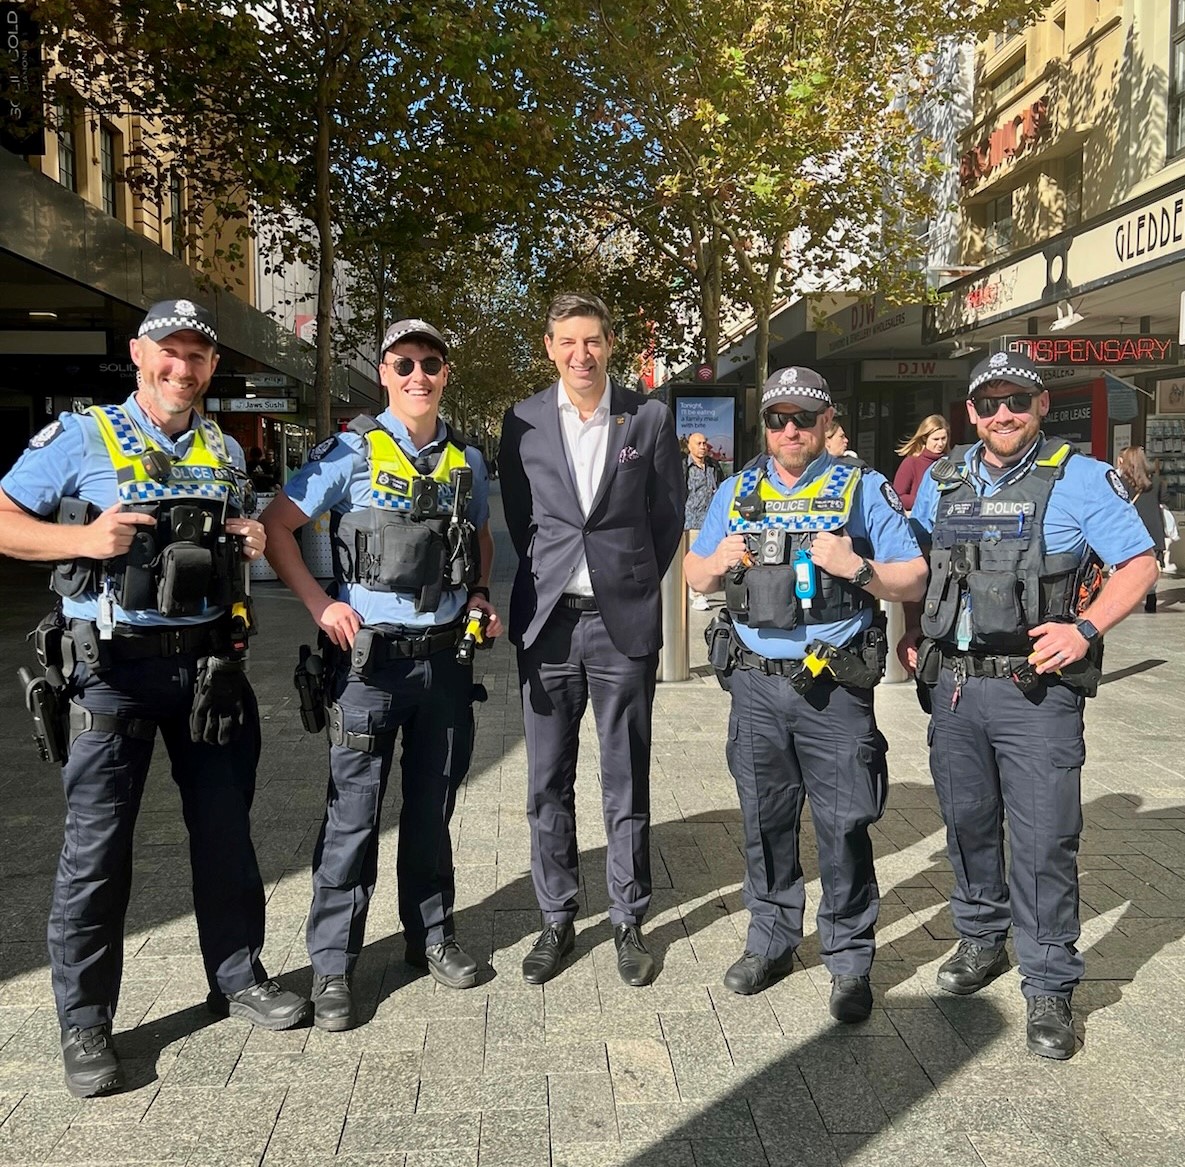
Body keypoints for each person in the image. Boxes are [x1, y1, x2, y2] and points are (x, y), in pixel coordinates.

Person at [0, 299, 309, 1099]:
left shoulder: (221, 448)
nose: (183, 369)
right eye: (169, 353)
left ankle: (237, 977)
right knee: (97, 851)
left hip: (207, 670)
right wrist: (79, 540)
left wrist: (243, 537)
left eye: (197, 358)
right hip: (110, 670)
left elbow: (230, 539)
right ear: (139, 353)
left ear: (210, 367)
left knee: (226, 835)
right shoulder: (82, 436)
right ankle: (86, 1021)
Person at [901, 350, 1158, 1061]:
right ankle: (981, 938)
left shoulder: (1077, 478)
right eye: (987, 404)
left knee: (1044, 838)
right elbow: (919, 568)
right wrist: (906, 634)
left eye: (1016, 401)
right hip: (953, 687)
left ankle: (1048, 983)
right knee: (966, 821)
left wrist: (1083, 629)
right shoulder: (944, 478)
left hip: (1034, 691)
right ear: (970, 412)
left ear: (1041, 406)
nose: (1001, 414)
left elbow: (1138, 563)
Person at [259, 318, 501, 1030]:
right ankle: (333, 966)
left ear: (445, 372)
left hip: (445, 665)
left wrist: (481, 593)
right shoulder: (351, 451)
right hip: (369, 668)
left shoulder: (467, 459)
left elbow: (480, 533)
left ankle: (430, 936)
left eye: (431, 362)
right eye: (404, 363)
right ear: (385, 372)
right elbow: (277, 525)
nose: (418, 374)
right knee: (352, 819)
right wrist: (320, 603)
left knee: (433, 813)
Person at [684, 366, 926, 1016]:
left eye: (803, 417)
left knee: (844, 824)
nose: (789, 429)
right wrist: (717, 561)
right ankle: (771, 939)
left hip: (832, 686)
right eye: (777, 418)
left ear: (825, 422)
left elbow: (914, 576)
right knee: (764, 822)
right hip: (756, 689)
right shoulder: (735, 490)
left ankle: (848, 960)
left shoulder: (862, 487)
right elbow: (694, 573)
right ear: (764, 425)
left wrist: (859, 568)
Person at [499, 292, 685, 987]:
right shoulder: (520, 420)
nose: (581, 354)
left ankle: (627, 917)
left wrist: (627, 580)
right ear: (548, 346)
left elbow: (663, 516)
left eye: (593, 341)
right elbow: (524, 520)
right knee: (545, 780)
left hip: (620, 623)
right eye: (567, 341)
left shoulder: (649, 416)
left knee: (624, 776)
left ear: (610, 344)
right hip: (547, 624)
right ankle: (555, 916)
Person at [1115, 445, 1165, 613]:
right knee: (1152, 563)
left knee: (1127, 564)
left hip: (1132, 529)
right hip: (1154, 529)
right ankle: (1151, 597)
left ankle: (1124, 600)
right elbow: (1163, 500)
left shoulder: (1122, 482)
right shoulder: (1156, 481)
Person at [685, 431, 723, 610]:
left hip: (710, 519)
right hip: (691, 519)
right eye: (698, 443)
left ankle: (698, 590)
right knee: (696, 556)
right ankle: (697, 593)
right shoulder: (684, 466)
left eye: (704, 443)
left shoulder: (713, 466)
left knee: (709, 555)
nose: (703, 447)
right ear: (689, 447)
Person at [892, 414, 949, 510]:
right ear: (924, 438)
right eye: (935, 439)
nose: (940, 444)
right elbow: (897, 497)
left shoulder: (950, 461)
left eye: (943, 438)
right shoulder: (911, 463)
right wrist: (925, 501)